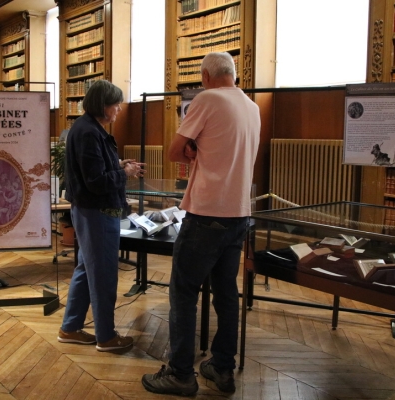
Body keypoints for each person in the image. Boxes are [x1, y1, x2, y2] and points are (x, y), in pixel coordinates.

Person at [141, 52, 260, 395]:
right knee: (226, 293)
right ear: (232, 75)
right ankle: (222, 368)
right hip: (239, 213)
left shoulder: (207, 99)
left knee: (183, 292)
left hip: (207, 213)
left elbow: (174, 151)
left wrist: (193, 152)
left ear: (206, 76)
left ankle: (180, 373)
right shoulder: (252, 107)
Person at [58, 79, 145, 352]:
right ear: (103, 105)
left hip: (89, 211)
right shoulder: (88, 132)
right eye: (115, 104)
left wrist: (118, 164)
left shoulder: (86, 128)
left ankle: (70, 328)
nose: (119, 109)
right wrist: (125, 173)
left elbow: (92, 168)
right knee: (104, 274)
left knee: (86, 270)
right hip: (97, 212)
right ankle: (106, 336)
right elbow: (95, 181)